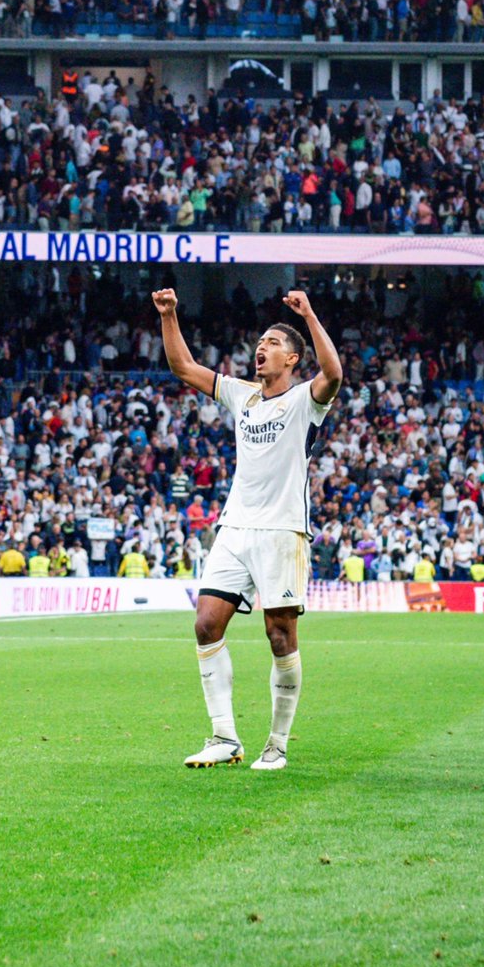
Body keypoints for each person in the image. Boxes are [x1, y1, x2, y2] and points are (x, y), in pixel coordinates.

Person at [152, 286, 341, 771]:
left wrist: (309, 314)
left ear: (293, 358)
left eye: (273, 343)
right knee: (205, 623)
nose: (262, 347)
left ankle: (276, 744)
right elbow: (183, 368)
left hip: (282, 531)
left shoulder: (305, 400)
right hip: (235, 527)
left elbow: (334, 373)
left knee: (279, 636)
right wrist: (170, 315)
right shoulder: (243, 395)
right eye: (260, 341)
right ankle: (223, 736)